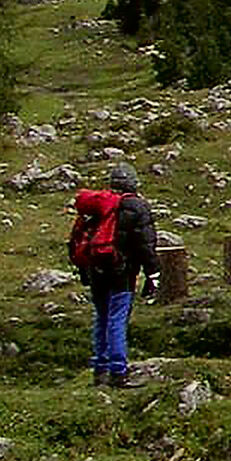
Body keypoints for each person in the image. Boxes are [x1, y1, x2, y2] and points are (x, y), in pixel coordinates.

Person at [80, 162, 160, 387]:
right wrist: (153, 273)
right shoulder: (138, 207)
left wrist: (84, 270)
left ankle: (100, 369)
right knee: (117, 319)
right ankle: (118, 372)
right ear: (134, 183)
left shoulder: (99, 205)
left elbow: (81, 238)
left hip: (96, 270)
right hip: (122, 273)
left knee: (102, 317)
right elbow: (146, 245)